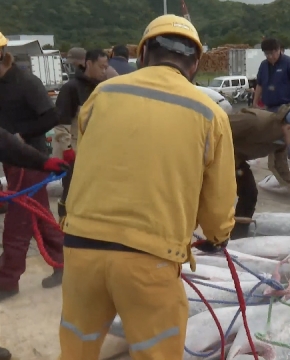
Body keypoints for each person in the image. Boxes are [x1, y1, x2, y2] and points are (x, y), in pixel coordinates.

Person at [57, 15, 237, 359]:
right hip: (149, 259)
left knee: (76, 350)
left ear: (142, 55)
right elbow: (219, 200)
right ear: (196, 64)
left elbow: (87, 158)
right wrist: (217, 235)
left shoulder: (103, 93)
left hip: (81, 250)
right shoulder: (210, 114)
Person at [0, 31, 66, 301]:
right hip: (12, 159)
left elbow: (52, 116)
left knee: (17, 221)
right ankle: (66, 264)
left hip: (31, 158)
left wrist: (22, 135)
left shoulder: (26, 82)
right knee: (40, 215)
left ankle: (7, 280)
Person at [230, 105, 290, 238]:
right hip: (214, 157)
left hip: (236, 161)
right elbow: (216, 129)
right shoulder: (254, 121)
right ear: (289, 128)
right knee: (216, 198)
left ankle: (237, 237)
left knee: (250, 193)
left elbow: (281, 167)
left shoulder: (281, 141)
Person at [54, 49, 109, 222]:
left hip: (96, 153)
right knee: (71, 194)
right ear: (88, 63)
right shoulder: (71, 89)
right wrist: (67, 150)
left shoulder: (104, 89)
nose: (104, 70)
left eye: (106, 67)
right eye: (101, 66)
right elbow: (60, 124)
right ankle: (65, 223)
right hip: (75, 153)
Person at [254, 38, 290, 167]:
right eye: (267, 54)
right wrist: (255, 102)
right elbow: (259, 85)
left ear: (278, 50)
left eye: (272, 53)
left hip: (288, 107)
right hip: (270, 107)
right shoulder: (263, 65)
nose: (270, 57)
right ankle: (278, 165)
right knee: (274, 138)